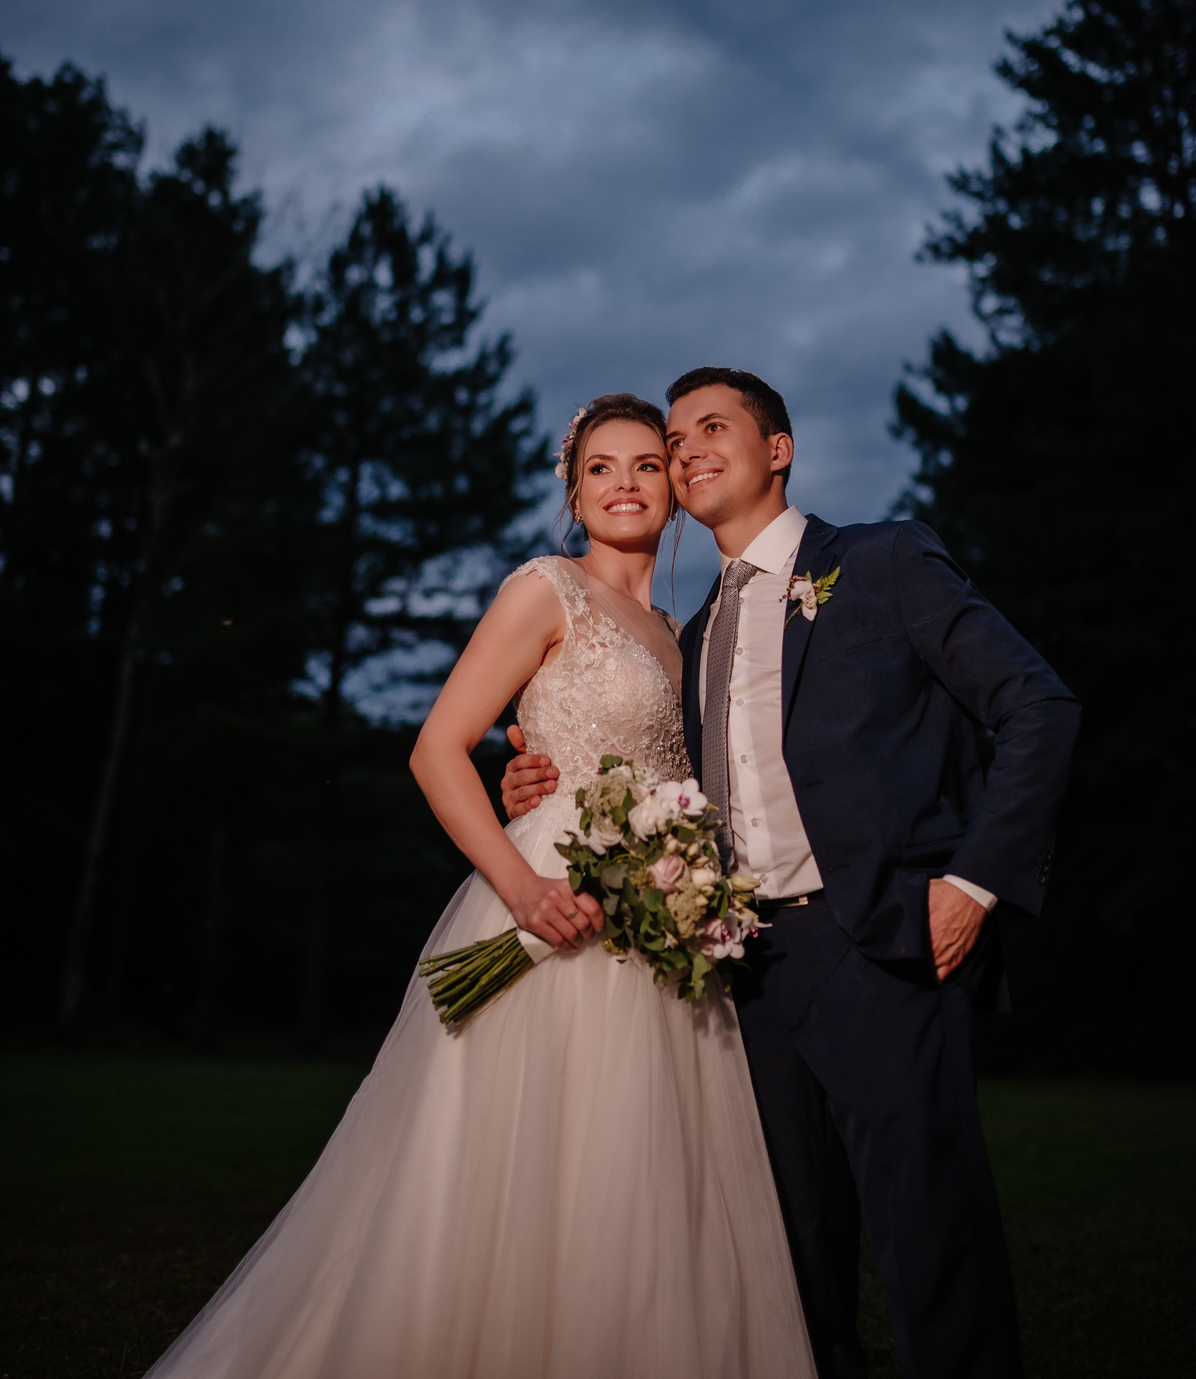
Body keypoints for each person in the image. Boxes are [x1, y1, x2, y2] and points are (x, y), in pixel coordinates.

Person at [144, 392, 815, 1379]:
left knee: (638, 1173)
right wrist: (523, 888)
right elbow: (437, 748)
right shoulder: (545, 589)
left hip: (659, 928)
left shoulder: (680, 628)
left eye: (646, 464)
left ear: (675, 488)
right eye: (599, 468)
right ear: (574, 493)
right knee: (516, 1165)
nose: (624, 483)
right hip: (550, 900)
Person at [503, 368, 1080, 1379]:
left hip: (881, 947)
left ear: (779, 449)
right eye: (676, 440)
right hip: (745, 975)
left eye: (711, 427)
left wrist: (974, 882)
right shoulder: (687, 639)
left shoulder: (883, 562)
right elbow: (647, 774)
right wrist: (536, 775)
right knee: (789, 1270)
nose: (687, 450)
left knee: (930, 1242)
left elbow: (1038, 704)